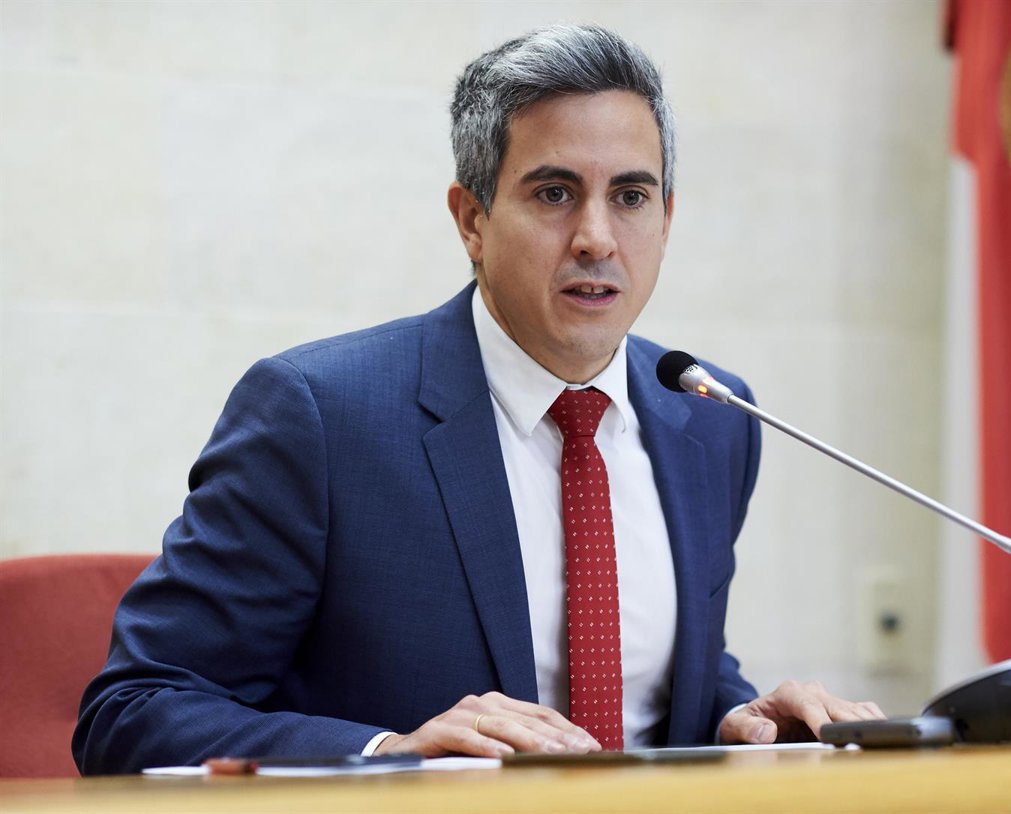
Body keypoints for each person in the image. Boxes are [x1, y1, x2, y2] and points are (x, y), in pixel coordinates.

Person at [73, 24, 883, 775]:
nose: (598, 237)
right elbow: (134, 710)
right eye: (555, 193)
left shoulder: (710, 416)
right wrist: (391, 751)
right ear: (472, 219)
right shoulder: (321, 417)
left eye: (631, 197)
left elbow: (654, 686)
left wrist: (740, 717)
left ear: (666, 220)